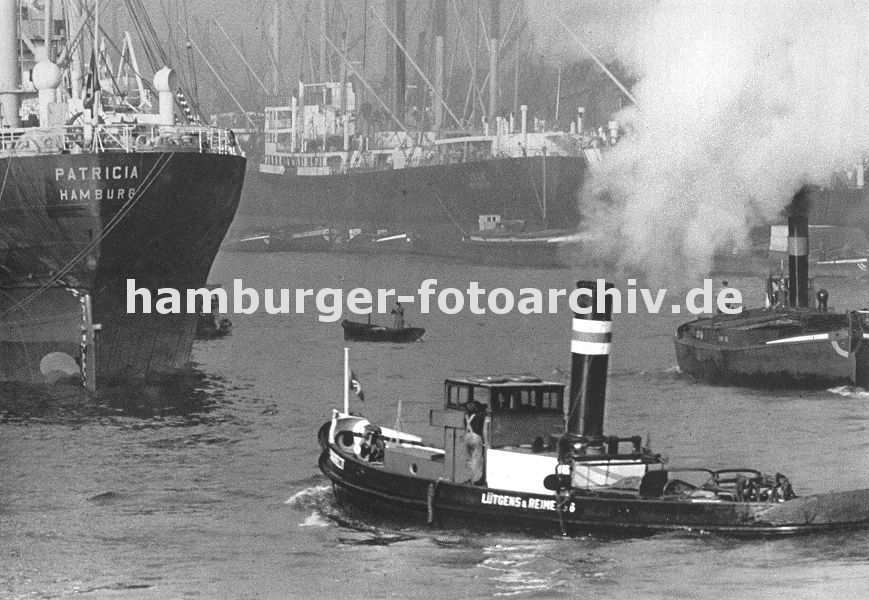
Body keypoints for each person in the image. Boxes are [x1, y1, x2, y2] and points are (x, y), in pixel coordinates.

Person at [464, 400, 488, 485]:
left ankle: (469, 477)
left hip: (467, 437)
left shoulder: (466, 416)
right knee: (477, 459)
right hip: (476, 437)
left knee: (469, 459)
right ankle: (476, 480)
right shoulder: (480, 415)